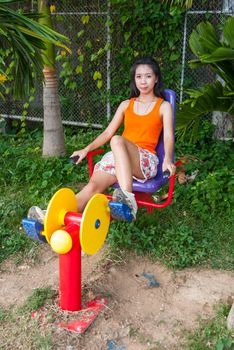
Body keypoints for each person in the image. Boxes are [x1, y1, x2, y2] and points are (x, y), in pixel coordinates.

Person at [28, 56, 176, 223]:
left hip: (144, 161)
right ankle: (50, 217)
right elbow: (107, 133)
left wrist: (168, 160)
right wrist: (86, 149)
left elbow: (169, 135)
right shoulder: (126, 104)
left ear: (156, 79)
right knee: (91, 187)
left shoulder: (164, 106)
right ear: (134, 79)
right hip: (118, 157)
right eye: (138, 76)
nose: (143, 81)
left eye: (148, 76)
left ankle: (127, 201)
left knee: (117, 140)